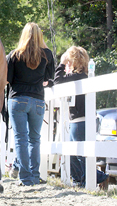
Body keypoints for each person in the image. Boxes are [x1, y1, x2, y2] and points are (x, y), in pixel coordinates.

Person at [52, 46, 109, 189]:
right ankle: (82, 180)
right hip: (83, 119)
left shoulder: (76, 77)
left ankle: (97, 177)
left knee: (77, 154)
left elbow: (58, 82)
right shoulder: (82, 76)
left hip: (79, 120)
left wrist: (62, 64)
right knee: (75, 154)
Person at [7, 22, 55, 186]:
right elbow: (50, 80)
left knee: (21, 139)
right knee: (35, 139)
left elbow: (8, 80)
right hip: (38, 101)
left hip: (18, 99)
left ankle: (25, 178)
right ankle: (35, 176)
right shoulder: (46, 55)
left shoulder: (14, 55)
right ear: (40, 37)